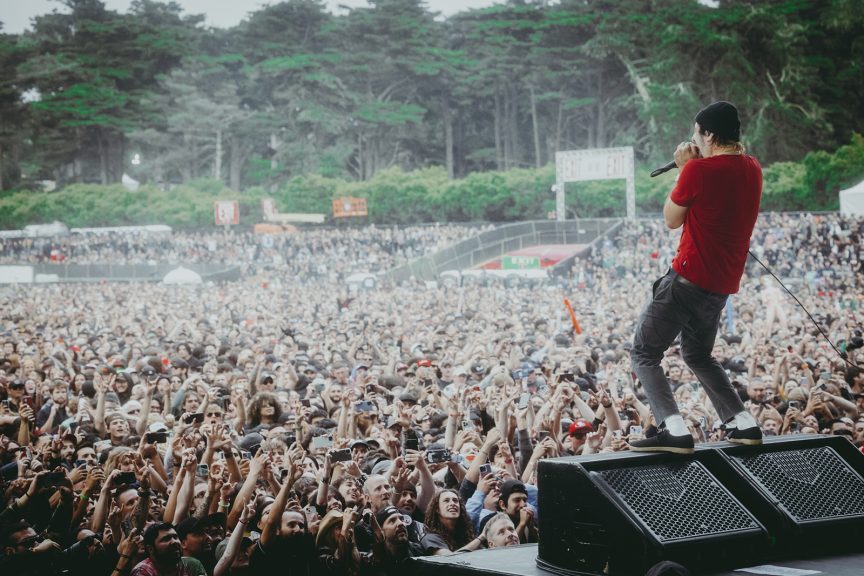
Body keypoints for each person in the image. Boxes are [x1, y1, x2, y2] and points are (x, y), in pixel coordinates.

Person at [630, 101, 764, 454]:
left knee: (644, 352)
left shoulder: (697, 172)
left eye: (695, 132)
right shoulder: (752, 167)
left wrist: (683, 169)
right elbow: (720, 187)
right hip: (720, 286)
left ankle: (673, 428)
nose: (692, 138)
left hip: (687, 278)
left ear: (709, 134)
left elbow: (671, 219)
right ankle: (742, 422)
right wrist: (695, 165)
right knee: (698, 355)